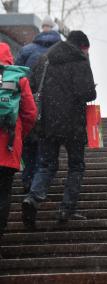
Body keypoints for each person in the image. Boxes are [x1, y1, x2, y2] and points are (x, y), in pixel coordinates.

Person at [22, 31, 97, 229]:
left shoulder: (44, 60)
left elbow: (31, 87)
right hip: (73, 124)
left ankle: (33, 198)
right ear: (82, 46)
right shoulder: (80, 62)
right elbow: (88, 92)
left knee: (46, 165)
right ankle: (66, 208)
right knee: (75, 166)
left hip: (47, 123)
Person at [15, 15, 61, 194]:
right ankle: (38, 185)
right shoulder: (62, 52)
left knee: (29, 146)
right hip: (53, 108)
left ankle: (27, 181)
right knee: (45, 148)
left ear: (42, 28)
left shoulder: (27, 50)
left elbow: (18, 75)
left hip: (28, 103)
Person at [0, 43, 37, 253]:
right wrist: (20, 135)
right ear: (9, 58)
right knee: (3, 193)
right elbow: (30, 113)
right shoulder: (18, 78)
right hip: (8, 146)